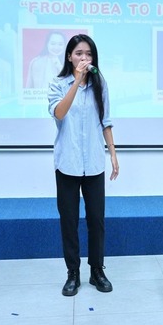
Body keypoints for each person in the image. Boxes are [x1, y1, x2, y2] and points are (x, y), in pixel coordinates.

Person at [48, 34, 119, 296]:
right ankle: (73, 273)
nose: (84, 58)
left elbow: (105, 121)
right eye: (79, 53)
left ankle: (97, 270)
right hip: (67, 162)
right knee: (69, 221)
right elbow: (59, 113)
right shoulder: (58, 84)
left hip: (94, 162)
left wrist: (113, 154)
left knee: (96, 220)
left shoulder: (100, 83)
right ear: (69, 56)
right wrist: (77, 81)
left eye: (88, 54)